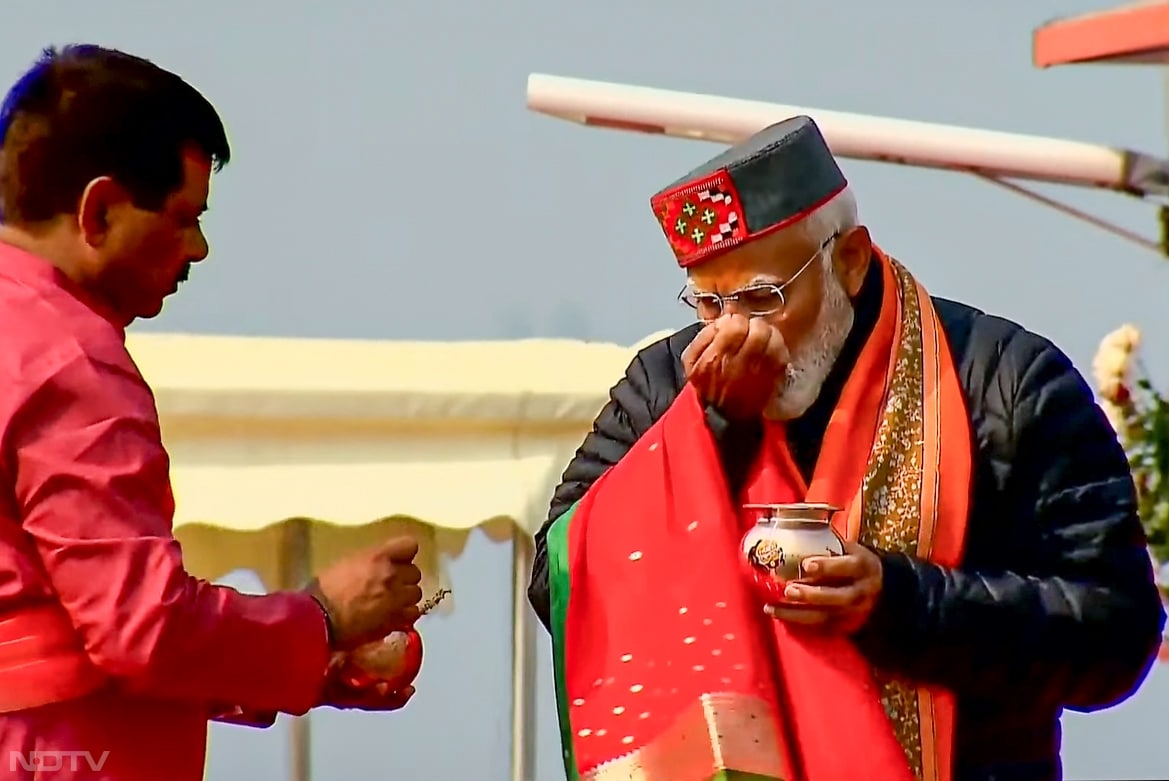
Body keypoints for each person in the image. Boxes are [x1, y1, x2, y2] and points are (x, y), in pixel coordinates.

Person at [528, 116, 1166, 781]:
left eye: (760, 297)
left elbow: (1116, 635)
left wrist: (900, 602)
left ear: (850, 259)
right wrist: (712, 430)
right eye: (709, 304)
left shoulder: (1002, 381)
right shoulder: (666, 385)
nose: (733, 333)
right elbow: (560, 585)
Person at [0, 45, 423, 781]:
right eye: (185, 217)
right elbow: (143, 630)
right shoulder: (69, 361)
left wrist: (296, 663)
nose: (198, 248)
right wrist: (320, 617)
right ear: (99, 209)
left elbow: (70, 626)